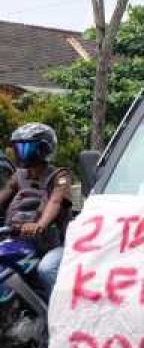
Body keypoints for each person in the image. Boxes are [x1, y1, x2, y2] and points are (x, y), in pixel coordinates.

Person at [0, 123, 73, 299]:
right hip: (21, 240)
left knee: (46, 269)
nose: (22, 152)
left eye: (27, 147)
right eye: (19, 147)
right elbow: (4, 195)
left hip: (55, 244)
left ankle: (56, 318)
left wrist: (40, 224)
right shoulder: (19, 175)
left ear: (43, 149)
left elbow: (55, 201)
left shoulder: (60, 176)